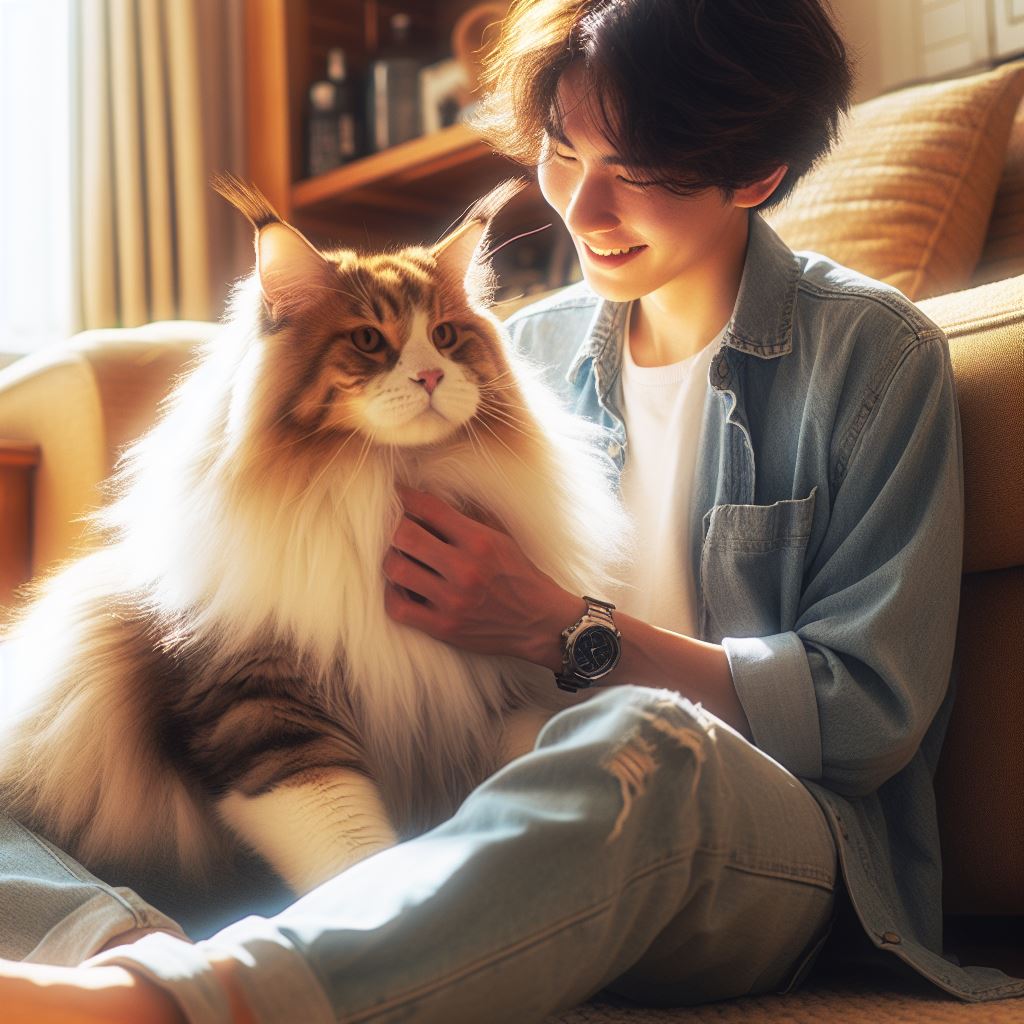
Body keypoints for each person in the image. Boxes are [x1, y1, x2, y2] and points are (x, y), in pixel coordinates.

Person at [2, 1, 1022, 1020]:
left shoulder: (876, 361)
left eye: (641, 172)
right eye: (563, 154)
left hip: (757, 838)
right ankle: (115, 943)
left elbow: (863, 715)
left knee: (647, 745)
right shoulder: (514, 355)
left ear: (752, 175)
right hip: (504, 817)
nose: (582, 210)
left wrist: (559, 627)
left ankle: (160, 1008)